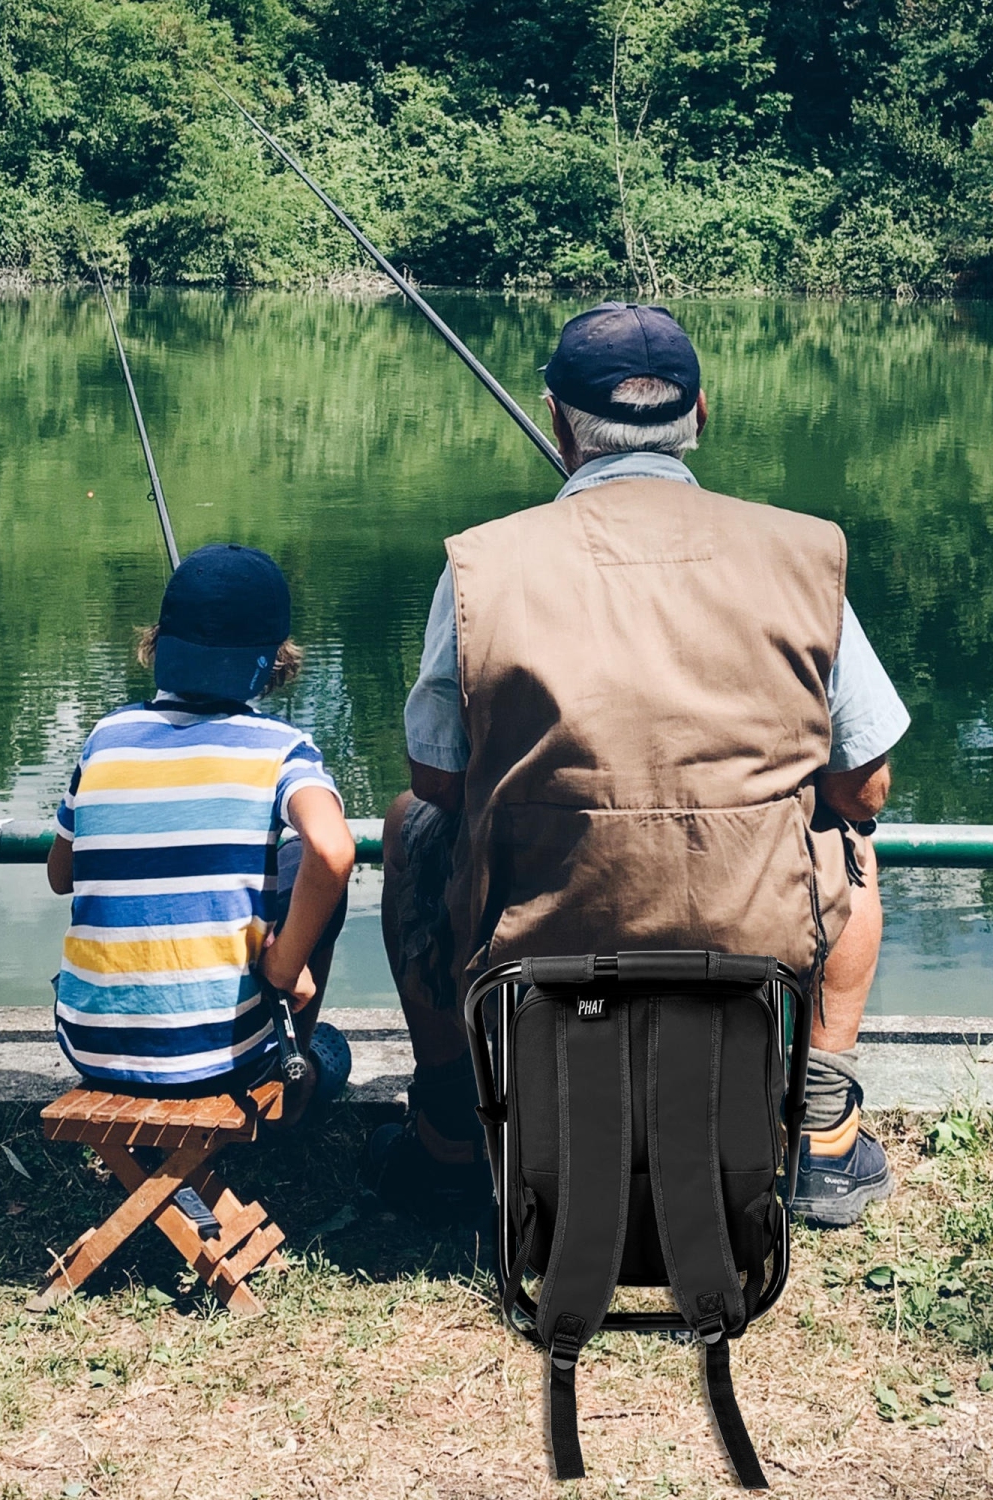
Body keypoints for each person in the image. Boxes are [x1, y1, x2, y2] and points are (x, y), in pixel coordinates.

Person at [371, 303, 910, 1227]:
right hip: (753, 943)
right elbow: (864, 787)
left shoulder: (479, 567)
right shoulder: (805, 552)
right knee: (850, 845)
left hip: (537, 946)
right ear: (702, 413)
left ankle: (454, 1128)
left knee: (410, 830)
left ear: (555, 420)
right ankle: (818, 1129)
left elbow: (438, 785)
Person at [47, 543, 357, 1123]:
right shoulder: (283, 750)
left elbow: (60, 877)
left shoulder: (106, 738)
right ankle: (294, 1087)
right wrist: (285, 964)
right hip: (223, 1061)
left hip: (90, 1047)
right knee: (334, 1048)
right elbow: (334, 849)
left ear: (159, 644)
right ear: (275, 663)